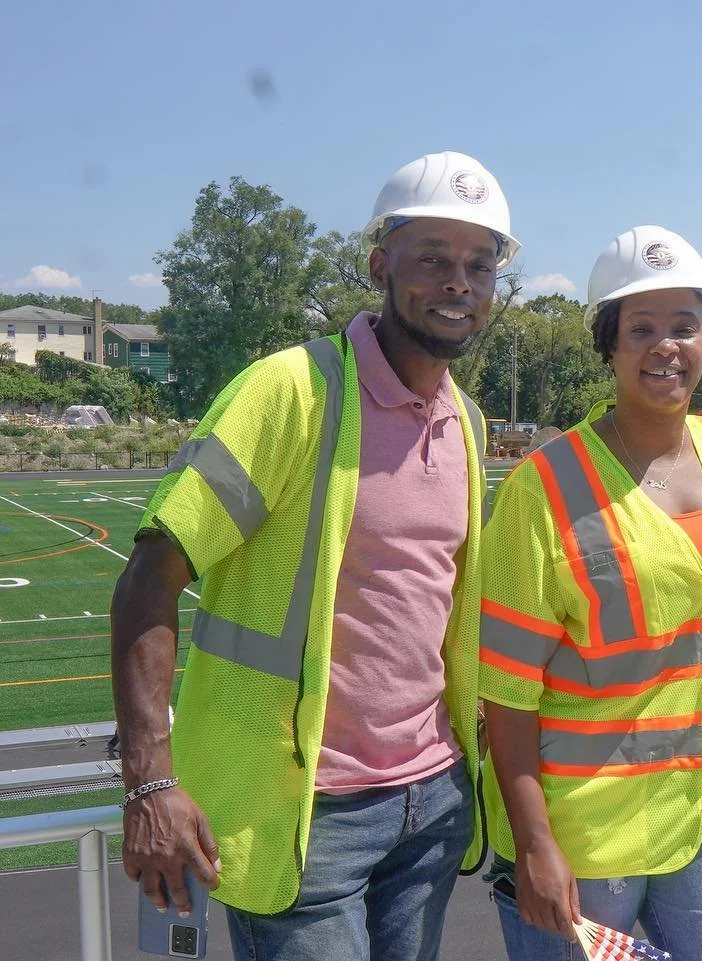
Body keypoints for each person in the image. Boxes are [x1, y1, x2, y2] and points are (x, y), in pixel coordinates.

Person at [110, 150, 518, 961]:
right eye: (432, 258)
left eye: (479, 265)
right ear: (378, 265)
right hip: (302, 812)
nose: (458, 283)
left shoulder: (465, 421)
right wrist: (150, 780)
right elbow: (150, 578)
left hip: (431, 805)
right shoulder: (289, 392)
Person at [478, 225, 702, 961]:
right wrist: (535, 844)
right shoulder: (545, 485)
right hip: (588, 833)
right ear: (608, 345)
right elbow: (506, 689)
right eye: (641, 328)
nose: (665, 346)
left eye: (685, 326)